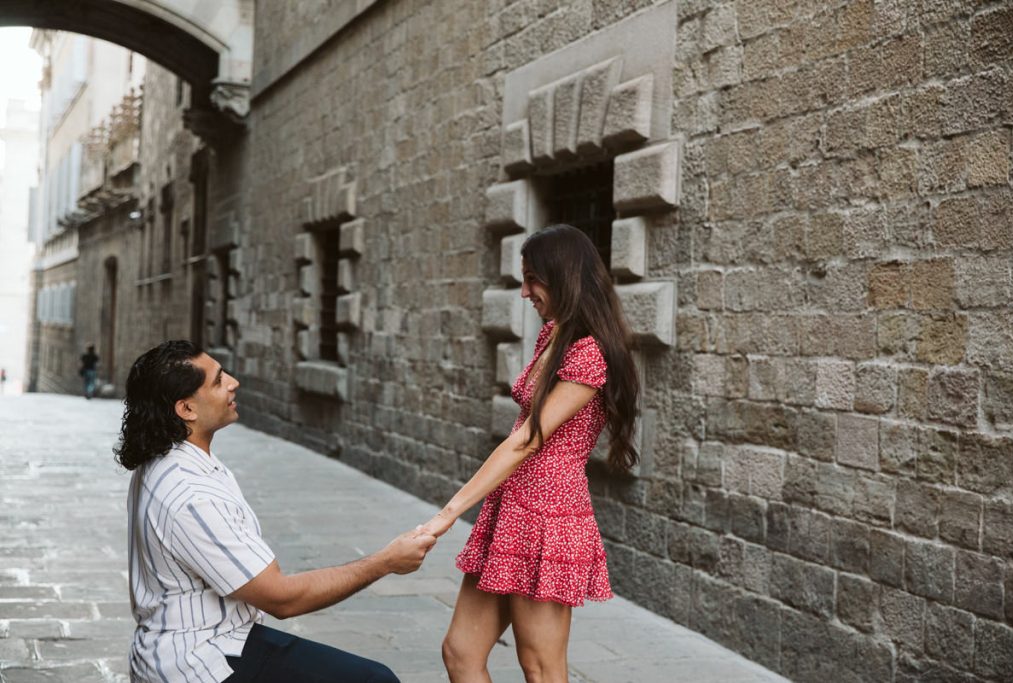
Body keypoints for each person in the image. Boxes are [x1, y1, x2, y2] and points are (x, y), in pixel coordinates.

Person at [115, 340, 436, 682]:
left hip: (206, 640)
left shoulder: (164, 458)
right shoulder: (191, 493)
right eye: (218, 380)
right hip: (202, 662)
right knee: (374, 680)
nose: (233, 382)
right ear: (186, 409)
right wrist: (386, 561)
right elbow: (283, 599)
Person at [419, 225, 640, 683]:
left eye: (532, 280)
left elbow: (527, 439)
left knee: (540, 668)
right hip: (513, 508)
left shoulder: (589, 354)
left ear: (564, 278)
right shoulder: (553, 337)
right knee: (460, 652)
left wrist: (448, 513)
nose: (524, 293)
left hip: (549, 516)